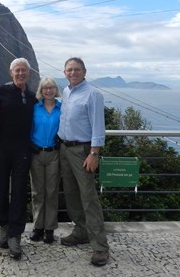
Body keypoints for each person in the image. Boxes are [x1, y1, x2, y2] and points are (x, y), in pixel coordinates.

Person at [57, 57, 110, 267]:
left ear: (84, 72)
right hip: (64, 148)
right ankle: (80, 232)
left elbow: (98, 126)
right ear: (64, 72)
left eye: (76, 69)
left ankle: (100, 247)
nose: (73, 72)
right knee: (70, 194)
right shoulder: (67, 91)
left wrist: (94, 153)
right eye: (69, 69)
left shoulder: (93, 94)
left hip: (83, 150)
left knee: (88, 197)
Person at [0, 58, 37, 259]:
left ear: (28, 73)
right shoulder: (2, 92)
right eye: (17, 70)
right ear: (11, 73)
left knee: (19, 190)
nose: (20, 73)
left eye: (24, 71)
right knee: (1, 188)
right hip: (2, 148)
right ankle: (4, 225)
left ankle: (15, 234)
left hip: (23, 150)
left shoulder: (31, 96)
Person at [29, 77, 61, 244]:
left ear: (56, 90)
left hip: (54, 153)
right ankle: (38, 226)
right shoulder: (35, 108)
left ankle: (50, 228)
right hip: (36, 153)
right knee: (37, 192)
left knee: (51, 192)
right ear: (41, 90)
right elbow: (28, 128)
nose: (48, 91)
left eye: (51, 88)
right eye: (45, 88)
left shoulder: (61, 108)